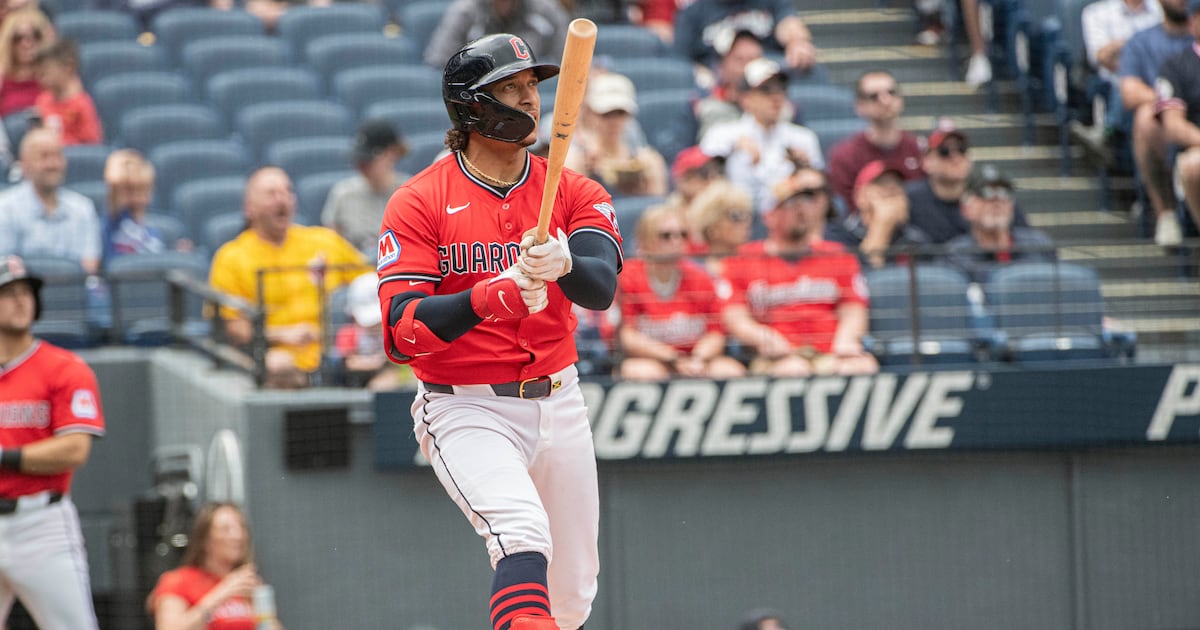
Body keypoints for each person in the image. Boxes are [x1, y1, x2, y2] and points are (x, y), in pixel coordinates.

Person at [376, 33, 621, 630]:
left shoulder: (573, 189)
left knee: (571, 595)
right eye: (509, 88)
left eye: (532, 87)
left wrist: (563, 266)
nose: (530, 100)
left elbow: (600, 286)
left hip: (559, 398)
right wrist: (493, 296)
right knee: (520, 534)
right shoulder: (419, 201)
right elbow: (400, 333)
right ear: (471, 106)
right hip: (466, 406)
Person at [0, 255, 106, 630]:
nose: (20, 300)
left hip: (40, 521)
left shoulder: (64, 367)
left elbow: (75, 449)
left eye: (25, 292)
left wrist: (4, 457)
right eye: (8, 292)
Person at [209, 167, 370, 389]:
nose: (282, 199)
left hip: (335, 352)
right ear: (249, 208)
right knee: (277, 366)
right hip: (275, 356)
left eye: (287, 191)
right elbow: (232, 326)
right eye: (271, 194)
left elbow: (371, 283)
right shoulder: (231, 257)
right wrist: (282, 335)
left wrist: (359, 334)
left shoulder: (324, 241)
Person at [721, 167, 878, 377]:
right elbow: (735, 318)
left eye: (806, 201)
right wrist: (761, 337)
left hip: (830, 352)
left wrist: (847, 340)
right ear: (770, 214)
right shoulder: (741, 260)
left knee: (861, 366)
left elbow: (854, 308)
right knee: (793, 371)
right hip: (777, 356)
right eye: (791, 204)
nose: (801, 209)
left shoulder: (837, 255)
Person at [617, 204, 745, 380]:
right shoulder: (627, 277)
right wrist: (672, 358)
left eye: (683, 235)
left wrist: (697, 358)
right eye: (666, 236)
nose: (676, 241)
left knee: (728, 371)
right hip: (651, 359)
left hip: (695, 358)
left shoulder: (701, 278)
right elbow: (627, 335)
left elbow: (716, 332)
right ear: (644, 241)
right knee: (643, 372)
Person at [700, 57, 823, 213]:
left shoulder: (803, 138)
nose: (776, 97)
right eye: (766, 90)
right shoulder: (722, 135)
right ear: (746, 98)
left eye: (781, 88)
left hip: (789, 218)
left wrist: (805, 168)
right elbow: (703, 183)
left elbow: (820, 194)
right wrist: (731, 149)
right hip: (738, 218)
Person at [1117, 0, 1193, 245]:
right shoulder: (1142, 41)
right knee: (1146, 117)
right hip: (1168, 126)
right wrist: (1174, 100)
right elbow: (1129, 92)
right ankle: (1166, 213)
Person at [147, 502, 283, 630]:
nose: (238, 536)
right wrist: (223, 592)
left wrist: (264, 610)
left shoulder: (247, 585)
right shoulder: (178, 581)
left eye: (241, 527)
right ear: (205, 539)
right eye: (226, 529)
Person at [905, 118, 1030, 244]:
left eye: (962, 149)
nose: (956, 157)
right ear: (926, 161)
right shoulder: (909, 199)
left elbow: (1026, 240)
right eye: (944, 151)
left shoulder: (990, 193)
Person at [0, 127, 101, 274]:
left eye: (58, 156)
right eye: (44, 156)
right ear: (24, 165)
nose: (53, 164)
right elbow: (4, 270)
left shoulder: (83, 208)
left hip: (71, 294)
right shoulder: (5, 208)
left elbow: (89, 267)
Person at [826, 70, 925, 214]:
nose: (885, 101)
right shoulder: (845, 155)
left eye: (891, 92)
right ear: (859, 106)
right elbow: (845, 211)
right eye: (874, 96)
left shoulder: (919, 148)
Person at [943, 164, 1057, 283]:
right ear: (965, 208)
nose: (997, 201)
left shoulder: (1038, 244)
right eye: (985, 193)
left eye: (1004, 192)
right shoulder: (956, 255)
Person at [564, 71, 668, 198]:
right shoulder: (578, 160)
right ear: (591, 113)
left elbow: (656, 209)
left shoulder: (649, 161)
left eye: (620, 113)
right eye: (606, 114)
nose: (613, 122)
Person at [321, 119, 412, 258]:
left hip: (402, 267)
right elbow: (331, 245)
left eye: (369, 160)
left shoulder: (412, 192)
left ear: (391, 153)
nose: (361, 166)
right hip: (356, 271)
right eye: (359, 160)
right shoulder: (343, 193)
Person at [829, 159, 932, 269]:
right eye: (881, 184)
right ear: (860, 197)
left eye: (898, 184)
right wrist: (882, 225)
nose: (892, 189)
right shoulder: (838, 235)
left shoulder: (916, 240)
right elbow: (859, 278)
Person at [673, 0, 817, 77]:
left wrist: (797, 42)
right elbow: (680, 61)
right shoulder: (693, 12)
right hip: (719, 81)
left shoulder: (770, 2)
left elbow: (788, 22)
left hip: (768, 77)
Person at [1156, 0, 1200, 231]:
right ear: (1192, 22)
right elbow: (1173, 126)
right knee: (1193, 164)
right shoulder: (1176, 65)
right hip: (1195, 147)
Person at [102, 148, 190, 264]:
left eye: (144, 191)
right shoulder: (113, 223)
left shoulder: (153, 234)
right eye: (131, 191)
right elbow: (115, 177)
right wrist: (129, 163)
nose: (139, 198)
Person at [423, 0, 569, 68]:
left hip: (532, 89)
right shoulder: (464, 12)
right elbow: (439, 61)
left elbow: (566, 59)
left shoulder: (547, 10)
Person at [333, 272, 408, 390]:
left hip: (388, 375)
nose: (374, 326)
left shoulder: (393, 331)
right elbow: (348, 361)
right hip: (354, 383)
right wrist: (372, 362)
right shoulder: (349, 333)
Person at [33, 38, 101, 146]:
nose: (40, 75)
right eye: (38, 70)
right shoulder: (42, 101)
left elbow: (92, 144)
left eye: (46, 68)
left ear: (68, 67)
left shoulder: (82, 104)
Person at [684, 178, 753, 276]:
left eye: (747, 215)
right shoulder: (694, 270)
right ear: (712, 225)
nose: (746, 222)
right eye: (736, 215)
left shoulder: (757, 263)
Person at [0, 7, 54, 118]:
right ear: (9, 42)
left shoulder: (54, 77)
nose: (27, 44)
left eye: (35, 36)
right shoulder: (1, 77)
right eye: (18, 38)